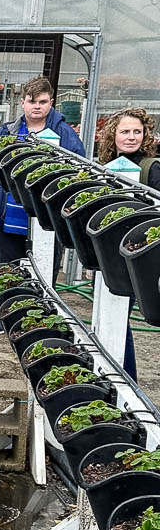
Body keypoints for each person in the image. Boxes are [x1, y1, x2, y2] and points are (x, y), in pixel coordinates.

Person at [0, 76, 86, 335]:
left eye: (42, 102)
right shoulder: (9, 131)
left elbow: (78, 168)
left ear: (51, 103)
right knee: (8, 267)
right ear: (22, 102)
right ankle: (8, 318)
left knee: (44, 269)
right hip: (11, 216)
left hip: (48, 218)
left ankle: (38, 321)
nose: (37, 107)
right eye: (32, 102)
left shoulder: (63, 133)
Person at [98, 107, 160, 382]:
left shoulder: (151, 167)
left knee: (120, 314)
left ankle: (126, 378)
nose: (131, 137)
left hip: (137, 252)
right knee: (110, 314)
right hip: (111, 252)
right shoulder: (107, 166)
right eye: (125, 131)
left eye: (137, 131)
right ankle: (119, 373)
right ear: (113, 135)